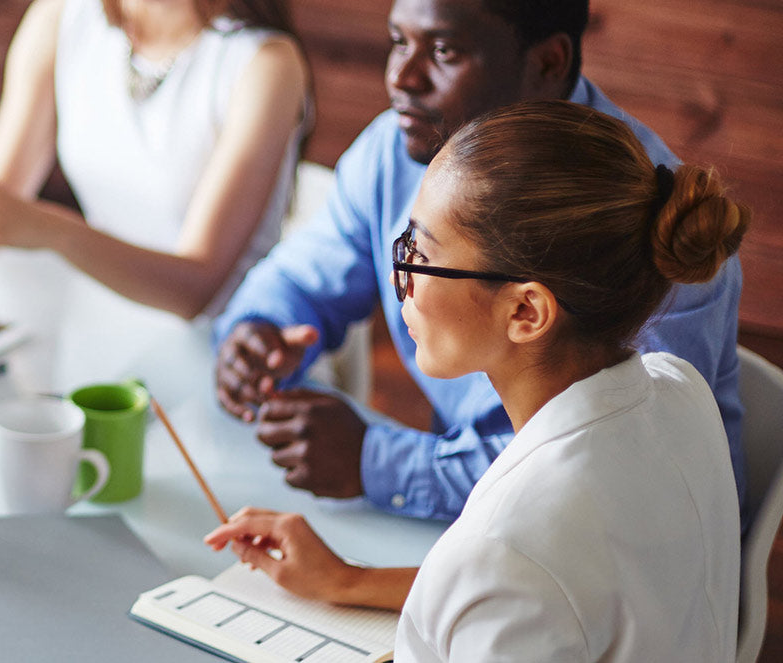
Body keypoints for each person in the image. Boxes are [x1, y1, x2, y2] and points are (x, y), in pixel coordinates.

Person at [207, 100, 748, 660]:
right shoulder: (680, 389)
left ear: (525, 313)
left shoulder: (507, 549)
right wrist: (346, 581)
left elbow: (510, 580)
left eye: (419, 252)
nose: (398, 275)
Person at [212, 0, 745, 522]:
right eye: (399, 41)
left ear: (546, 63)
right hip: (489, 524)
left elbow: (611, 474)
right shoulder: (395, 149)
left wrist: (380, 462)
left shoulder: (643, 226)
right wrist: (257, 331)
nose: (402, 76)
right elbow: (302, 276)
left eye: (443, 50)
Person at [0, 0, 310, 319]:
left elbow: (196, 291)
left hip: (233, 350)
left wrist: (53, 231)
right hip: (105, 320)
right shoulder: (62, 16)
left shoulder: (266, 64)